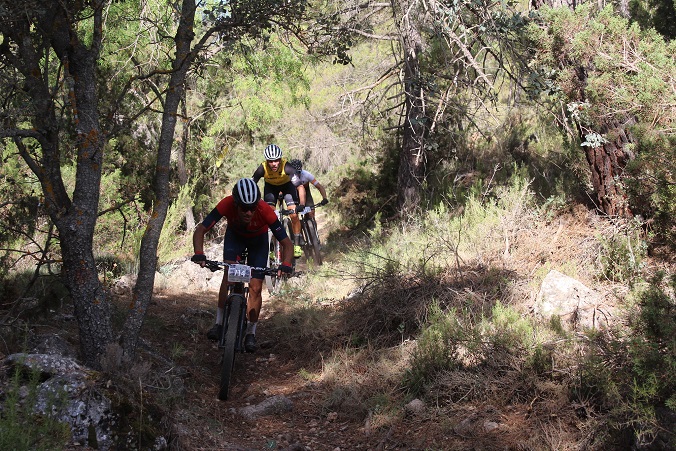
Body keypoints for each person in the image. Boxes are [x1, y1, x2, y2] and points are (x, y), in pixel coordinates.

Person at [191, 178, 294, 352]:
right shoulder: (227, 204)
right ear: (236, 204)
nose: (248, 212)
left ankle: (251, 333)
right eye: (244, 209)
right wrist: (199, 252)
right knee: (229, 276)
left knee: (255, 287)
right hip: (235, 238)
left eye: (252, 208)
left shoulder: (265, 210)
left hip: (258, 242)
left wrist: (286, 263)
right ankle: (219, 323)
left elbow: (287, 243)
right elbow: (201, 229)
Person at [252, 144, 303, 258]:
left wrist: (302, 205)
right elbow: (251, 184)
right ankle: (270, 246)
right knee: (268, 216)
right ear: (266, 160)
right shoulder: (262, 168)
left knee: (294, 215)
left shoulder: (287, 167)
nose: (274, 164)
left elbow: (300, 187)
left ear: (280, 159)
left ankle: (297, 245)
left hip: (287, 187)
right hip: (271, 188)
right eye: (271, 161)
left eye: (276, 160)